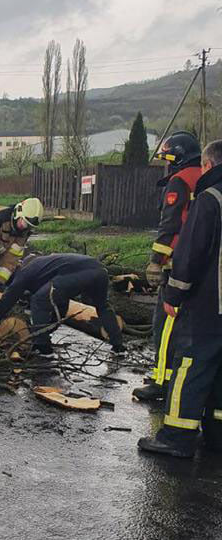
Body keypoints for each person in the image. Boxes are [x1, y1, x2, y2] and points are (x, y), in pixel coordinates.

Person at [138, 139, 222, 458]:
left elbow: (188, 247)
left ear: (209, 165)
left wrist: (172, 289)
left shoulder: (207, 196)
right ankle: (217, 436)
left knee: (191, 363)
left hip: (207, 301)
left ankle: (177, 436)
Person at [133, 131, 202, 402]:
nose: (167, 163)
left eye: (169, 157)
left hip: (176, 265)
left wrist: (156, 260)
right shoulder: (206, 178)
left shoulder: (179, 181)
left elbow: (171, 224)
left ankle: (162, 381)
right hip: (201, 265)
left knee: (165, 323)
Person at [0, 254, 125, 356]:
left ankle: (42, 347)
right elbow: (60, 304)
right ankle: (118, 345)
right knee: (102, 307)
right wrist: (47, 328)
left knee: (39, 301)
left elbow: (11, 295)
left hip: (81, 273)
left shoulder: (25, 272)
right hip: (100, 271)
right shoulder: (44, 266)